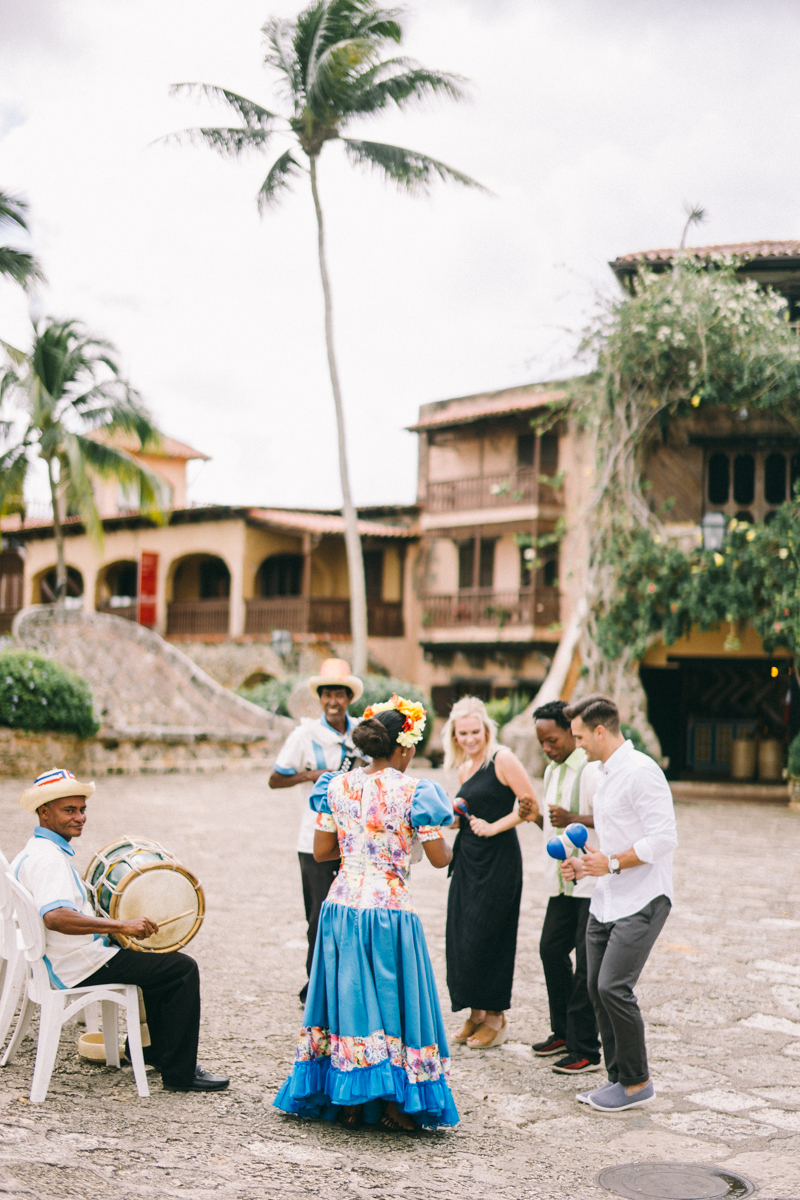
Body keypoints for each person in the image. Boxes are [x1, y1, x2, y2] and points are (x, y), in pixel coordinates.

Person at [274, 695, 458, 1132]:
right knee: (395, 1001)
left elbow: (322, 852)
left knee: (349, 999)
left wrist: (358, 842)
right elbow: (438, 858)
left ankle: (349, 1099)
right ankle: (398, 1104)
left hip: (340, 906)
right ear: (406, 748)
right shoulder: (417, 793)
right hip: (389, 910)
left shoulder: (334, 786)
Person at [10, 768, 229, 1092]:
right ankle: (180, 1075)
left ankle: (156, 1051)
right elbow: (55, 917)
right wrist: (122, 925)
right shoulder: (49, 860)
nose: (80, 817)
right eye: (69, 810)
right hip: (76, 963)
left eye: (82, 809)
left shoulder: (35, 849)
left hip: (61, 958)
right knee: (182, 969)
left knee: (159, 962)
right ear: (44, 812)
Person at [559, 695, 677, 1112]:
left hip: (643, 896)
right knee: (595, 986)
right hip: (606, 897)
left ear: (600, 731)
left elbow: (663, 839)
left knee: (613, 986)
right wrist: (586, 863)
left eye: (579, 736)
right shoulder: (601, 773)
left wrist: (607, 862)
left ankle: (637, 1081)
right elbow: (611, 841)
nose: (577, 744)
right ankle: (617, 1079)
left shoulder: (642, 772)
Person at [443, 696, 539, 1050]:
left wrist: (495, 827)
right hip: (468, 861)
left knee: (491, 936)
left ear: (486, 729)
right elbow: (462, 820)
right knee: (464, 938)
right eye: (462, 733)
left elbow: (530, 807)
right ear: (454, 736)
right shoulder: (464, 768)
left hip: (499, 861)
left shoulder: (502, 759)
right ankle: (476, 1011)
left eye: (474, 731)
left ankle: (497, 1018)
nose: (469, 738)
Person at [269, 658, 362, 1003]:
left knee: (352, 914)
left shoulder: (362, 733)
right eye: (327, 695)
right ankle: (317, 987)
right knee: (319, 916)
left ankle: (346, 982)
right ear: (320, 698)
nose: (333, 700)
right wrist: (312, 776)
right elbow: (275, 778)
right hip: (314, 838)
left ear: (348, 697)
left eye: (339, 694)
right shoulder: (304, 736)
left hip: (354, 839)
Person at [524, 699, 602, 1075]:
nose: (548, 748)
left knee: (586, 968)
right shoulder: (553, 772)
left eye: (552, 740)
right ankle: (562, 1032)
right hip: (560, 884)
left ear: (571, 732)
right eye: (542, 743)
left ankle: (586, 1048)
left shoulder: (590, 768)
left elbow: (608, 817)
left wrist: (574, 818)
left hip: (589, 881)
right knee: (551, 952)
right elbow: (554, 831)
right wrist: (535, 817)